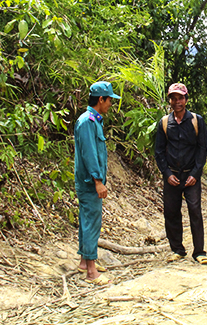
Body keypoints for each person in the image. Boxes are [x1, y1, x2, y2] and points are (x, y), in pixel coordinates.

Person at [155, 83, 207, 264]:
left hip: (191, 175)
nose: (177, 101)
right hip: (172, 176)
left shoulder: (197, 121)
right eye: (173, 98)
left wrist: (195, 173)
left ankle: (199, 252)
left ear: (186, 100)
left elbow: (202, 150)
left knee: (195, 210)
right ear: (170, 100)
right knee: (171, 212)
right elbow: (159, 151)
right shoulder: (164, 122)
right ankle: (177, 249)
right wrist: (166, 173)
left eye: (180, 98)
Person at [74, 81, 121, 285]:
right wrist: (98, 181)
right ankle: (92, 272)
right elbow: (89, 154)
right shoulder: (87, 122)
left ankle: (85, 262)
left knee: (87, 220)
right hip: (89, 181)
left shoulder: (94, 120)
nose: (111, 104)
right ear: (101, 99)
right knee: (92, 222)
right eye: (110, 100)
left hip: (90, 181)